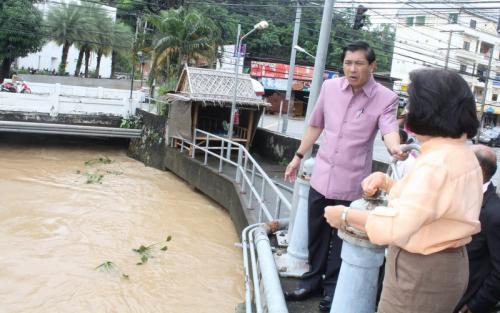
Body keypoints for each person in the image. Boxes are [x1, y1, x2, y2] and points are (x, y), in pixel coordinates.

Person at [324, 68, 483, 313]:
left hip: (421, 271)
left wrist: (345, 216)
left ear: (430, 109)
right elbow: (431, 206)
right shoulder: (461, 153)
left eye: (413, 103)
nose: (407, 111)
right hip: (449, 264)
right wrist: (388, 184)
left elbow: (397, 225)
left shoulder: (435, 163)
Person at [283, 41, 404, 312]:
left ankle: (331, 291)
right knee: (316, 236)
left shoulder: (385, 98)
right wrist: (298, 157)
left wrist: (395, 147)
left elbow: (388, 128)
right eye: (348, 63)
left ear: (372, 66)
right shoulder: (329, 88)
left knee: (340, 241)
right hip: (321, 177)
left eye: (359, 63)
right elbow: (316, 124)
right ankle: (311, 282)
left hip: (352, 184)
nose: (352, 69)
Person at [455, 145, 500, 313]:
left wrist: (475, 305)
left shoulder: (493, 212)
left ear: (478, 170)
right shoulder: (457, 195)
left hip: (465, 300)